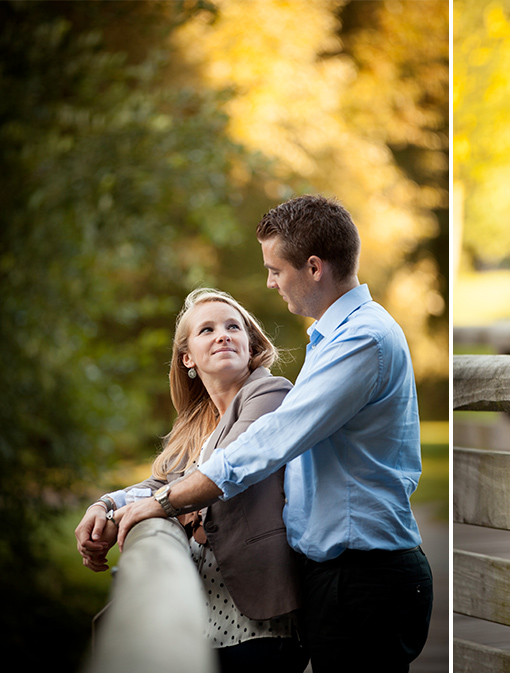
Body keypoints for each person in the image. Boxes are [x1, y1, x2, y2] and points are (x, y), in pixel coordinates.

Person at [111, 194, 433, 672]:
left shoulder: (363, 339)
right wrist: (116, 502)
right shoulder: (334, 338)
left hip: (365, 577)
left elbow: (270, 441)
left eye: (276, 270)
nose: (270, 282)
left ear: (314, 267)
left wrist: (164, 504)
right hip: (340, 578)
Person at [75, 288, 307, 671]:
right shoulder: (198, 423)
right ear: (187, 358)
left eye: (234, 326)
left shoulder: (270, 394)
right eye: (207, 330)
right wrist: (106, 505)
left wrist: (176, 505)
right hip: (204, 615)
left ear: (250, 345)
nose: (223, 334)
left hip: (259, 618)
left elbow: (216, 476)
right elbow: (162, 483)